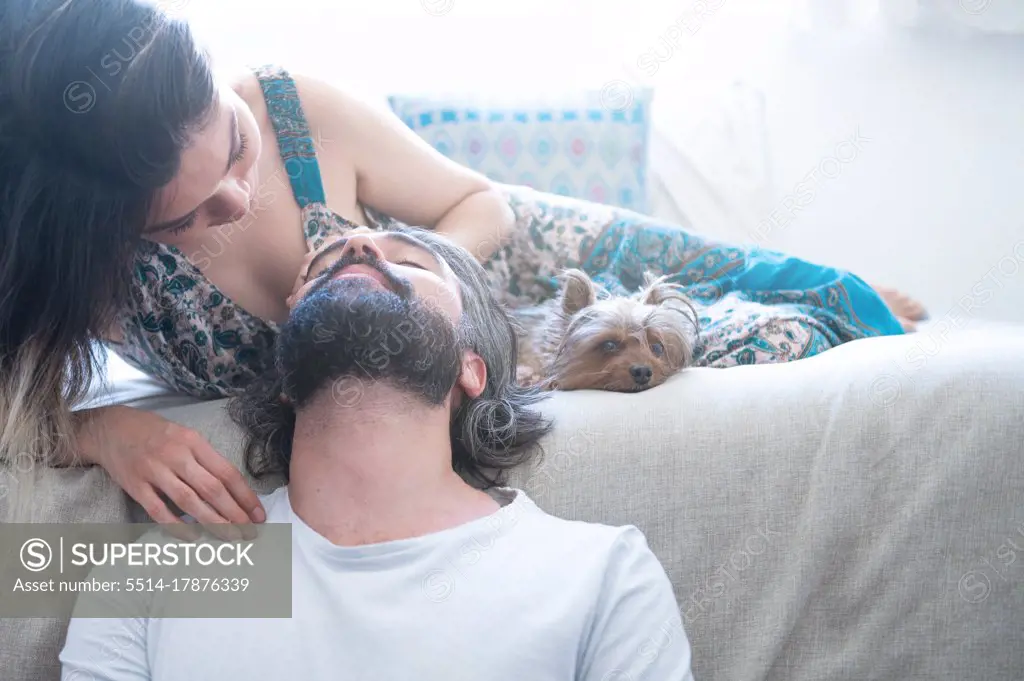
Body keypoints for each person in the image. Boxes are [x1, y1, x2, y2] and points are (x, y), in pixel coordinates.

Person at [0, 0, 924, 525]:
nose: (236, 206)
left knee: (812, 288)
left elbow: (479, 203)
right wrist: (101, 430)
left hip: (525, 260)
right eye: (188, 220)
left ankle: (855, 292)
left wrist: (405, 276)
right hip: (525, 342)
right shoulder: (84, 272)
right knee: (771, 335)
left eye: (235, 153)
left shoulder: (288, 107)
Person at [59, 226, 696, 681]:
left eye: (410, 259)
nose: (359, 246)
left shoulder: (605, 575)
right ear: (283, 374)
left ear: (470, 369)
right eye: (325, 265)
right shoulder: (153, 568)